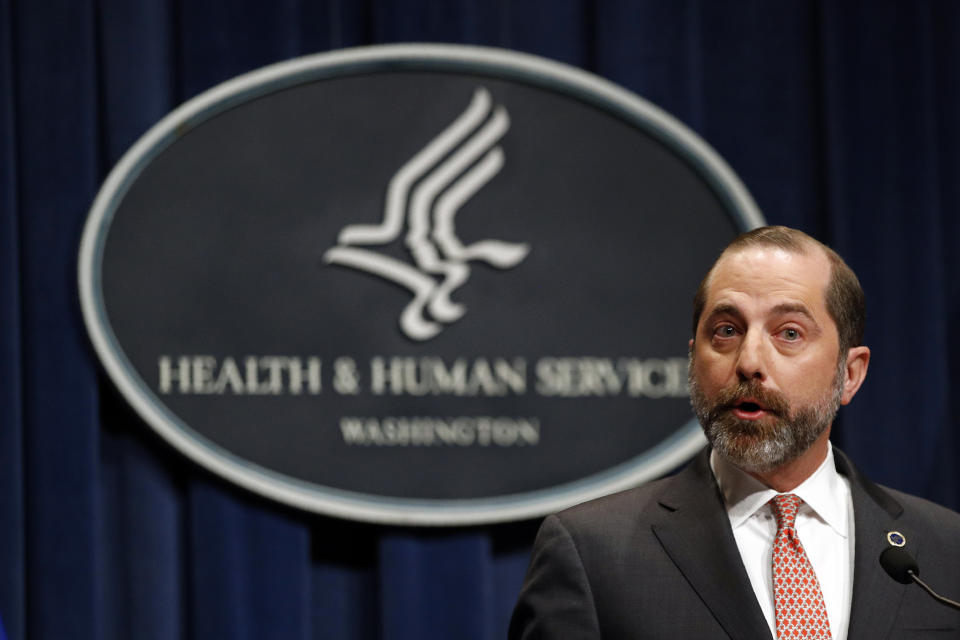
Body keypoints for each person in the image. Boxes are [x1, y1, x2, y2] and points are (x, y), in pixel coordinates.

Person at [509, 226, 960, 639]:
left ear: (850, 374)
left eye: (788, 333)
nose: (748, 362)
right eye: (726, 331)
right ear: (693, 359)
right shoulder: (592, 554)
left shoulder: (945, 552)